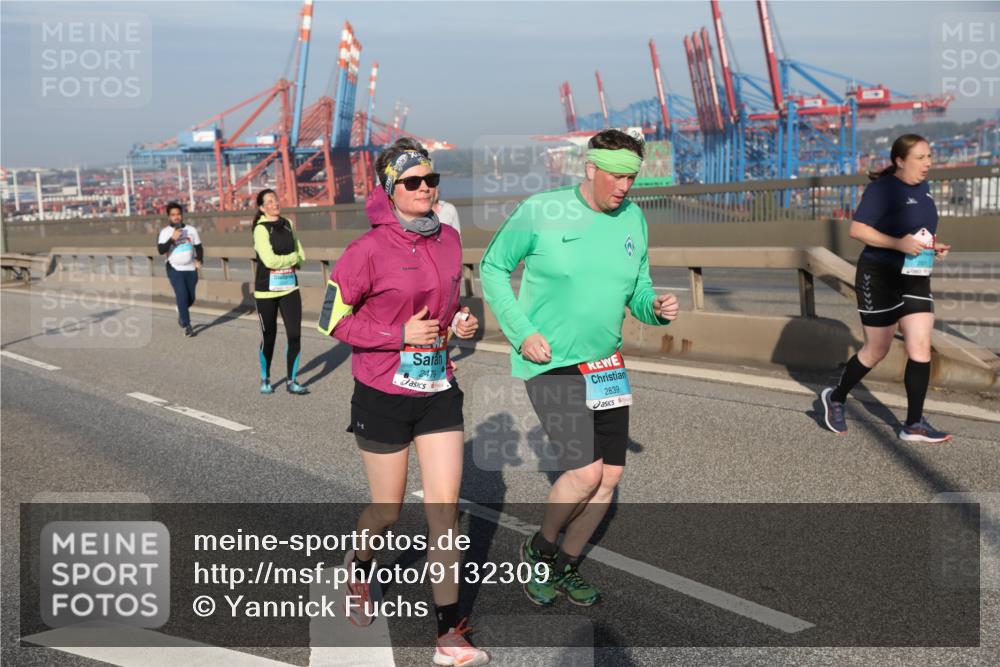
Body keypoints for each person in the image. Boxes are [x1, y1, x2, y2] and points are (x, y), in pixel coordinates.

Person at [480, 129, 679, 606]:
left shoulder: (633, 218)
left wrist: (657, 308)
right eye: (617, 175)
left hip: (606, 362)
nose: (626, 187)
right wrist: (522, 332)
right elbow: (491, 268)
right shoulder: (542, 210)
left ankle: (565, 566)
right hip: (550, 359)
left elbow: (638, 291)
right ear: (590, 168)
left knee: (610, 477)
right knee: (585, 473)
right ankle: (538, 549)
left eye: (633, 177)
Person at [317, 139, 487, 665]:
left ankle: (447, 634)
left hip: (437, 388)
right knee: (387, 511)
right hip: (382, 392)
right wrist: (398, 334)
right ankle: (360, 565)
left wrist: (461, 321)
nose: (425, 190)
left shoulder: (451, 240)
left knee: (444, 512)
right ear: (390, 191)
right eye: (413, 183)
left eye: (431, 181)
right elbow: (331, 319)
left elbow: (450, 305)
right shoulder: (366, 251)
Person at [821, 134, 951, 442]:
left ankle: (913, 424)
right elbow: (858, 230)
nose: (928, 163)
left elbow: (915, 231)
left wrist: (933, 247)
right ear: (900, 161)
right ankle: (836, 398)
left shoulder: (925, 189)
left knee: (920, 347)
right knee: (875, 350)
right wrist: (898, 243)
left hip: (914, 275)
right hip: (878, 276)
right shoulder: (881, 190)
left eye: (929, 156)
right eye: (920, 158)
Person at [252, 188, 308, 395]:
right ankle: (265, 377)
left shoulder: (287, 224)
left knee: (294, 335)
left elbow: (299, 251)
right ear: (261, 208)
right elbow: (270, 260)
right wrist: (292, 259)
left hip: (289, 287)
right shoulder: (260, 229)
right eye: (269, 201)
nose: (274, 203)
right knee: (270, 336)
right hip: (266, 290)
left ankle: (292, 381)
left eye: (275, 200)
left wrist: (296, 257)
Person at [156, 201, 202, 337]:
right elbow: (160, 250)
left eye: (178, 214)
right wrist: (172, 239)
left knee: (191, 298)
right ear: (169, 217)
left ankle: (181, 310)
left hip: (191, 268)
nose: (176, 217)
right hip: (174, 269)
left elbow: (199, 247)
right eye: (173, 215)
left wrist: (199, 259)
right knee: (181, 295)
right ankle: (187, 325)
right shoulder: (165, 232)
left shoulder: (191, 230)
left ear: (181, 215)